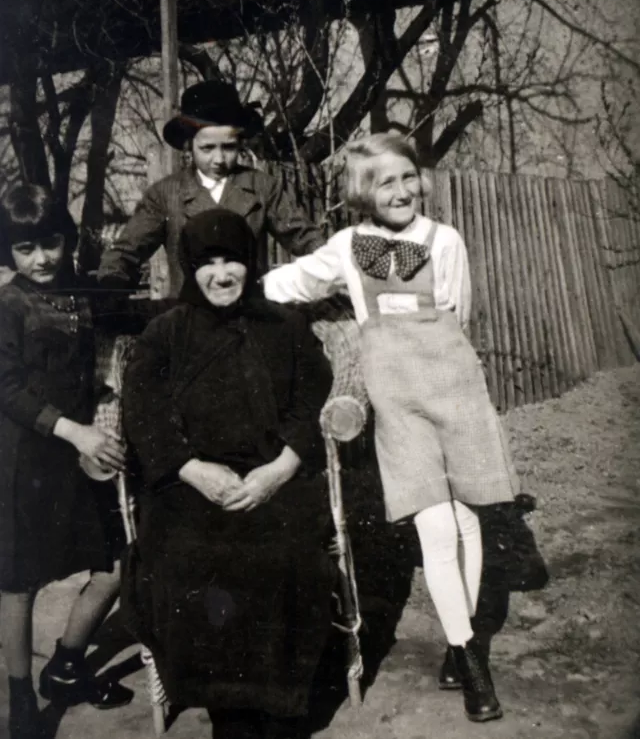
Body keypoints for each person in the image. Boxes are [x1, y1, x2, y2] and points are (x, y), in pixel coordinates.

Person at [263, 132, 521, 723]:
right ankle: (472, 665)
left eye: (408, 177)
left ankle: (459, 642)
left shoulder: (445, 240)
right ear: (362, 191)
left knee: (467, 517)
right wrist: (234, 290)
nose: (401, 190)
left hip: (455, 387)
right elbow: (290, 282)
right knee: (435, 524)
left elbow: (459, 314)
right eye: (386, 182)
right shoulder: (347, 247)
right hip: (396, 400)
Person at [121, 208, 336, 739]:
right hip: (189, 486)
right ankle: (230, 712)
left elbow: (312, 401)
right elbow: (143, 412)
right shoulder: (165, 333)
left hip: (276, 479)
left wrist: (279, 470)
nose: (221, 275)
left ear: (251, 263)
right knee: (197, 559)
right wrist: (192, 469)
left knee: (286, 556)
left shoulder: (286, 326)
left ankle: (281, 705)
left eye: (232, 261)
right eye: (207, 263)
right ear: (189, 268)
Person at [0, 185, 133, 739]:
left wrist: (100, 410)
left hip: (79, 455)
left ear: (67, 239)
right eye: (25, 248)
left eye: (51, 243)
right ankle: (21, 699)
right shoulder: (8, 305)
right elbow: (7, 388)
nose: (41, 259)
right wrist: (75, 430)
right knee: (20, 582)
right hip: (24, 460)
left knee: (115, 566)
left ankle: (67, 665)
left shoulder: (78, 294)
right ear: (8, 252)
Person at [97, 79, 325, 296]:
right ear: (189, 146)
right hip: (189, 316)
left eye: (229, 147)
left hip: (250, 314)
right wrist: (112, 283)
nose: (219, 159)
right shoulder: (165, 195)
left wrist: (333, 268)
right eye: (207, 148)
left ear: (241, 143)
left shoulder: (262, 187)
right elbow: (125, 252)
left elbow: (307, 239)